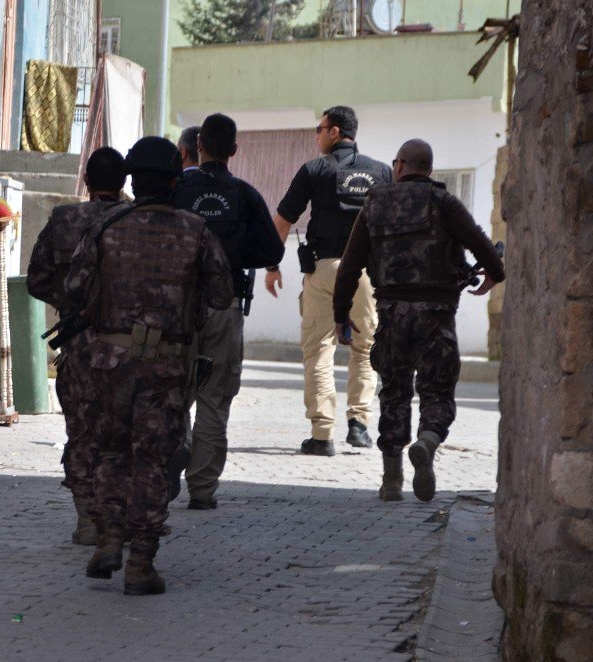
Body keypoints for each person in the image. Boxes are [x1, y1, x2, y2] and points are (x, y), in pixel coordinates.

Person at [65, 137, 234, 595]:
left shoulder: (105, 228)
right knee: (154, 461)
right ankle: (140, 564)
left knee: (111, 452)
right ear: (176, 181)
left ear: (132, 181)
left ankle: (108, 537)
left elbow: (74, 289)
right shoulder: (197, 231)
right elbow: (221, 296)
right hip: (166, 365)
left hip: (109, 363)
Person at [333, 139, 505, 502]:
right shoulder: (444, 202)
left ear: (399, 166)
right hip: (437, 315)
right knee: (437, 391)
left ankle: (391, 480)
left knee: (394, 394)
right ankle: (427, 441)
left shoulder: (374, 202)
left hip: (392, 314)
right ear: (428, 168)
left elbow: (350, 265)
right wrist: (494, 273)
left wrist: (340, 313)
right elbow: (479, 241)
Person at [265, 106, 392, 457]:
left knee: (319, 350)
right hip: (365, 274)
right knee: (365, 348)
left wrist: (272, 263)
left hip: (324, 271)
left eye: (319, 129)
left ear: (334, 132)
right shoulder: (381, 172)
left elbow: (283, 219)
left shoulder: (314, 170)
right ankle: (359, 425)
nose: (316, 135)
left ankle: (322, 435)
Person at [171, 113, 284, 510]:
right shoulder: (246, 195)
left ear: (197, 144)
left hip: (176, 308)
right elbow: (273, 251)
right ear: (234, 151)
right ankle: (202, 490)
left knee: (172, 391)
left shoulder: (176, 188)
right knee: (214, 397)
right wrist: (232, 258)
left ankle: (170, 465)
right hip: (225, 305)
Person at [26, 147, 127, 546]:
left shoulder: (64, 220)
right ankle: (118, 516)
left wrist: (70, 304)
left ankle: (87, 519)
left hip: (80, 348)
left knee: (82, 433)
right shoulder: (134, 219)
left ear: (86, 181)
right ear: (123, 184)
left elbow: (37, 280)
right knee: (123, 435)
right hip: (128, 347)